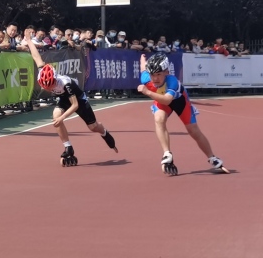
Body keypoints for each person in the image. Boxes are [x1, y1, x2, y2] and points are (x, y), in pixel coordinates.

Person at [23, 37, 117, 165]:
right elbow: (36, 56)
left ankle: (104, 132)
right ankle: (68, 147)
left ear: (54, 80)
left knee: (93, 127)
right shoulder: (43, 72)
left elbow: (75, 105)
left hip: (78, 100)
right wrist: (28, 40)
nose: (48, 88)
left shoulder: (65, 84)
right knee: (55, 116)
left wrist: (63, 118)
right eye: (45, 86)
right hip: (63, 98)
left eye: (49, 86)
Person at [137, 53, 227, 175]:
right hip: (161, 101)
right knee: (159, 118)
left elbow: (168, 100)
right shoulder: (146, 78)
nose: (155, 78)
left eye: (158, 74)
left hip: (180, 102)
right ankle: (167, 154)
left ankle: (212, 157)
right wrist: (143, 60)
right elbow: (143, 69)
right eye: (152, 75)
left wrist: (148, 92)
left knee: (193, 131)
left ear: (166, 72)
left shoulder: (172, 81)